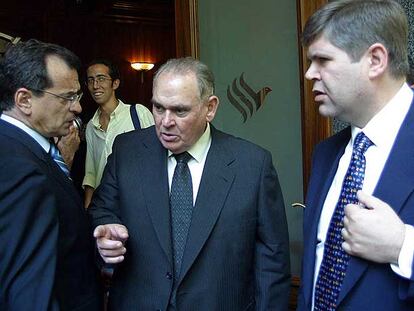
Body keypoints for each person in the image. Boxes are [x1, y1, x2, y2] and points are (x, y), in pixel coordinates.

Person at [88, 57, 291, 310]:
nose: (165, 122)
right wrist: (105, 234)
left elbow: (272, 261)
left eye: (180, 110)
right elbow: (101, 210)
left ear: (210, 108)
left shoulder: (252, 165)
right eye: (159, 108)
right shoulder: (127, 151)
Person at [298, 0, 414, 310]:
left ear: (375, 60)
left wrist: (404, 247)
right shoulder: (326, 155)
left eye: (322, 60)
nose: (309, 74)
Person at [0, 39, 102, 310]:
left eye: (77, 96)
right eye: (67, 97)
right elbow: (29, 288)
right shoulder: (20, 170)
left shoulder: (23, 148)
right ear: (24, 100)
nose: (78, 107)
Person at [82, 58, 154, 207]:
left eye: (101, 79)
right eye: (90, 80)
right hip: (106, 203)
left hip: (140, 200)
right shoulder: (91, 126)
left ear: (115, 83)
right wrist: (88, 209)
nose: (95, 86)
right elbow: (91, 173)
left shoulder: (137, 113)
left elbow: (158, 156)